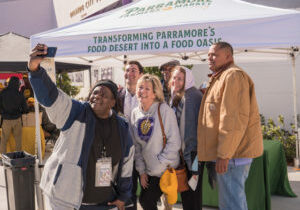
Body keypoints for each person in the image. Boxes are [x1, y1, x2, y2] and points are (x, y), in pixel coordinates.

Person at [28, 44, 134, 210]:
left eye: (104, 94)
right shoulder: (77, 112)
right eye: (95, 92)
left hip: (104, 203)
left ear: (113, 102)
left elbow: (127, 163)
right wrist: (35, 70)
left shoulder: (122, 127)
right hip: (67, 200)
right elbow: (51, 97)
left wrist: (123, 196)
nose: (97, 96)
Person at [197, 42, 263, 210]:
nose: (209, 58)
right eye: (209, 54)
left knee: (231, 204)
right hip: (231, 155)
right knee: (232, 202)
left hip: (233, 156)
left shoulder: (232, 76)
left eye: (215, 55)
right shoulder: (222, 76)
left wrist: (224, 155)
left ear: (229, 56)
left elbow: (232, 120)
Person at [130, 74, 181, 210]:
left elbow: (174, 142)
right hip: (148, 170)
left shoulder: (164, 110)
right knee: (147, 201)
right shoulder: (135, 113)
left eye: (147, 89)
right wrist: (142, 171)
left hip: (164, 168)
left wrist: (160, 163)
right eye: (140, 87)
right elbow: (137, 145)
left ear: (155, 93)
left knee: (146, 200)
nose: (143, 91)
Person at [168, 66, 203, 210]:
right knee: (186, 192)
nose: (176, 81)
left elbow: (191, 130)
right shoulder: (178, 96)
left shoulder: (192, 96)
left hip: (194, 153)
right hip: (184, 152)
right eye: (174, 77)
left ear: (187, 80)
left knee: (193, 192)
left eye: (180, 78)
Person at [115, 60, 143, 210]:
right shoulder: (117, 95)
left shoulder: (147, 95)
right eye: (127, 70)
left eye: (133, 70)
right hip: (124, 151)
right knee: (127, 193)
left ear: (140, 74)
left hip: (144, 152)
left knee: (147, 194)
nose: (129, 73)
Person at [0, 76, 28, 155]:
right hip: (17, 119)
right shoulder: (20, 94)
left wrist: (2, 112)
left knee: (4, 140)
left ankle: (2, 158)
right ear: (17, 84)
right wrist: (21, 112)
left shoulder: (3, 92)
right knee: (18, 140)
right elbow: (25, 109)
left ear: (9, 83)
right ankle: (18, 157)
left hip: (6, 120)